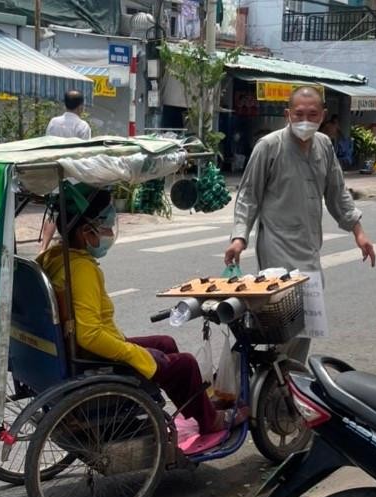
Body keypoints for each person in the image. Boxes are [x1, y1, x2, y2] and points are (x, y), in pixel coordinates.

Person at [37, 190, 247, 435]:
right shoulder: (81, 270)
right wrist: (134, 354)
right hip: (92, 355)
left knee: (165, 342)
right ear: (86, 232)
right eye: (104, 227)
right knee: (186, 364)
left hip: (74, 347)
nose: (108, 233)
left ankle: (198, 408)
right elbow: (89, 335)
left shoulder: (53, 256)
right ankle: (210, 421)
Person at [224, 86, 376, 362]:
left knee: (306, 327)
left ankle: (291, 387)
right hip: (276, 249)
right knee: (281, 325)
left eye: (312, 114)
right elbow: (248, 196)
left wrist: (359, 232)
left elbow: (337, 192)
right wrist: (239, 238)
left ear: (322, 116)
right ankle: (273, 388)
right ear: (288, 114)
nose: (305, 119)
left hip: (309, 250)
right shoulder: (269, 146)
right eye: (299, 113)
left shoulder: (324, 146)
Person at [39, 90, 94, 253]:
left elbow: (47, 146)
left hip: (54, 173)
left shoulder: (53, 122)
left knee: (52, 210)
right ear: (81, 106)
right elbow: (85, 153)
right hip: (74, 176)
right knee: (73, 210)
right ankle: (69, 242)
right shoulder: (82, 126)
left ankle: (43, 247)